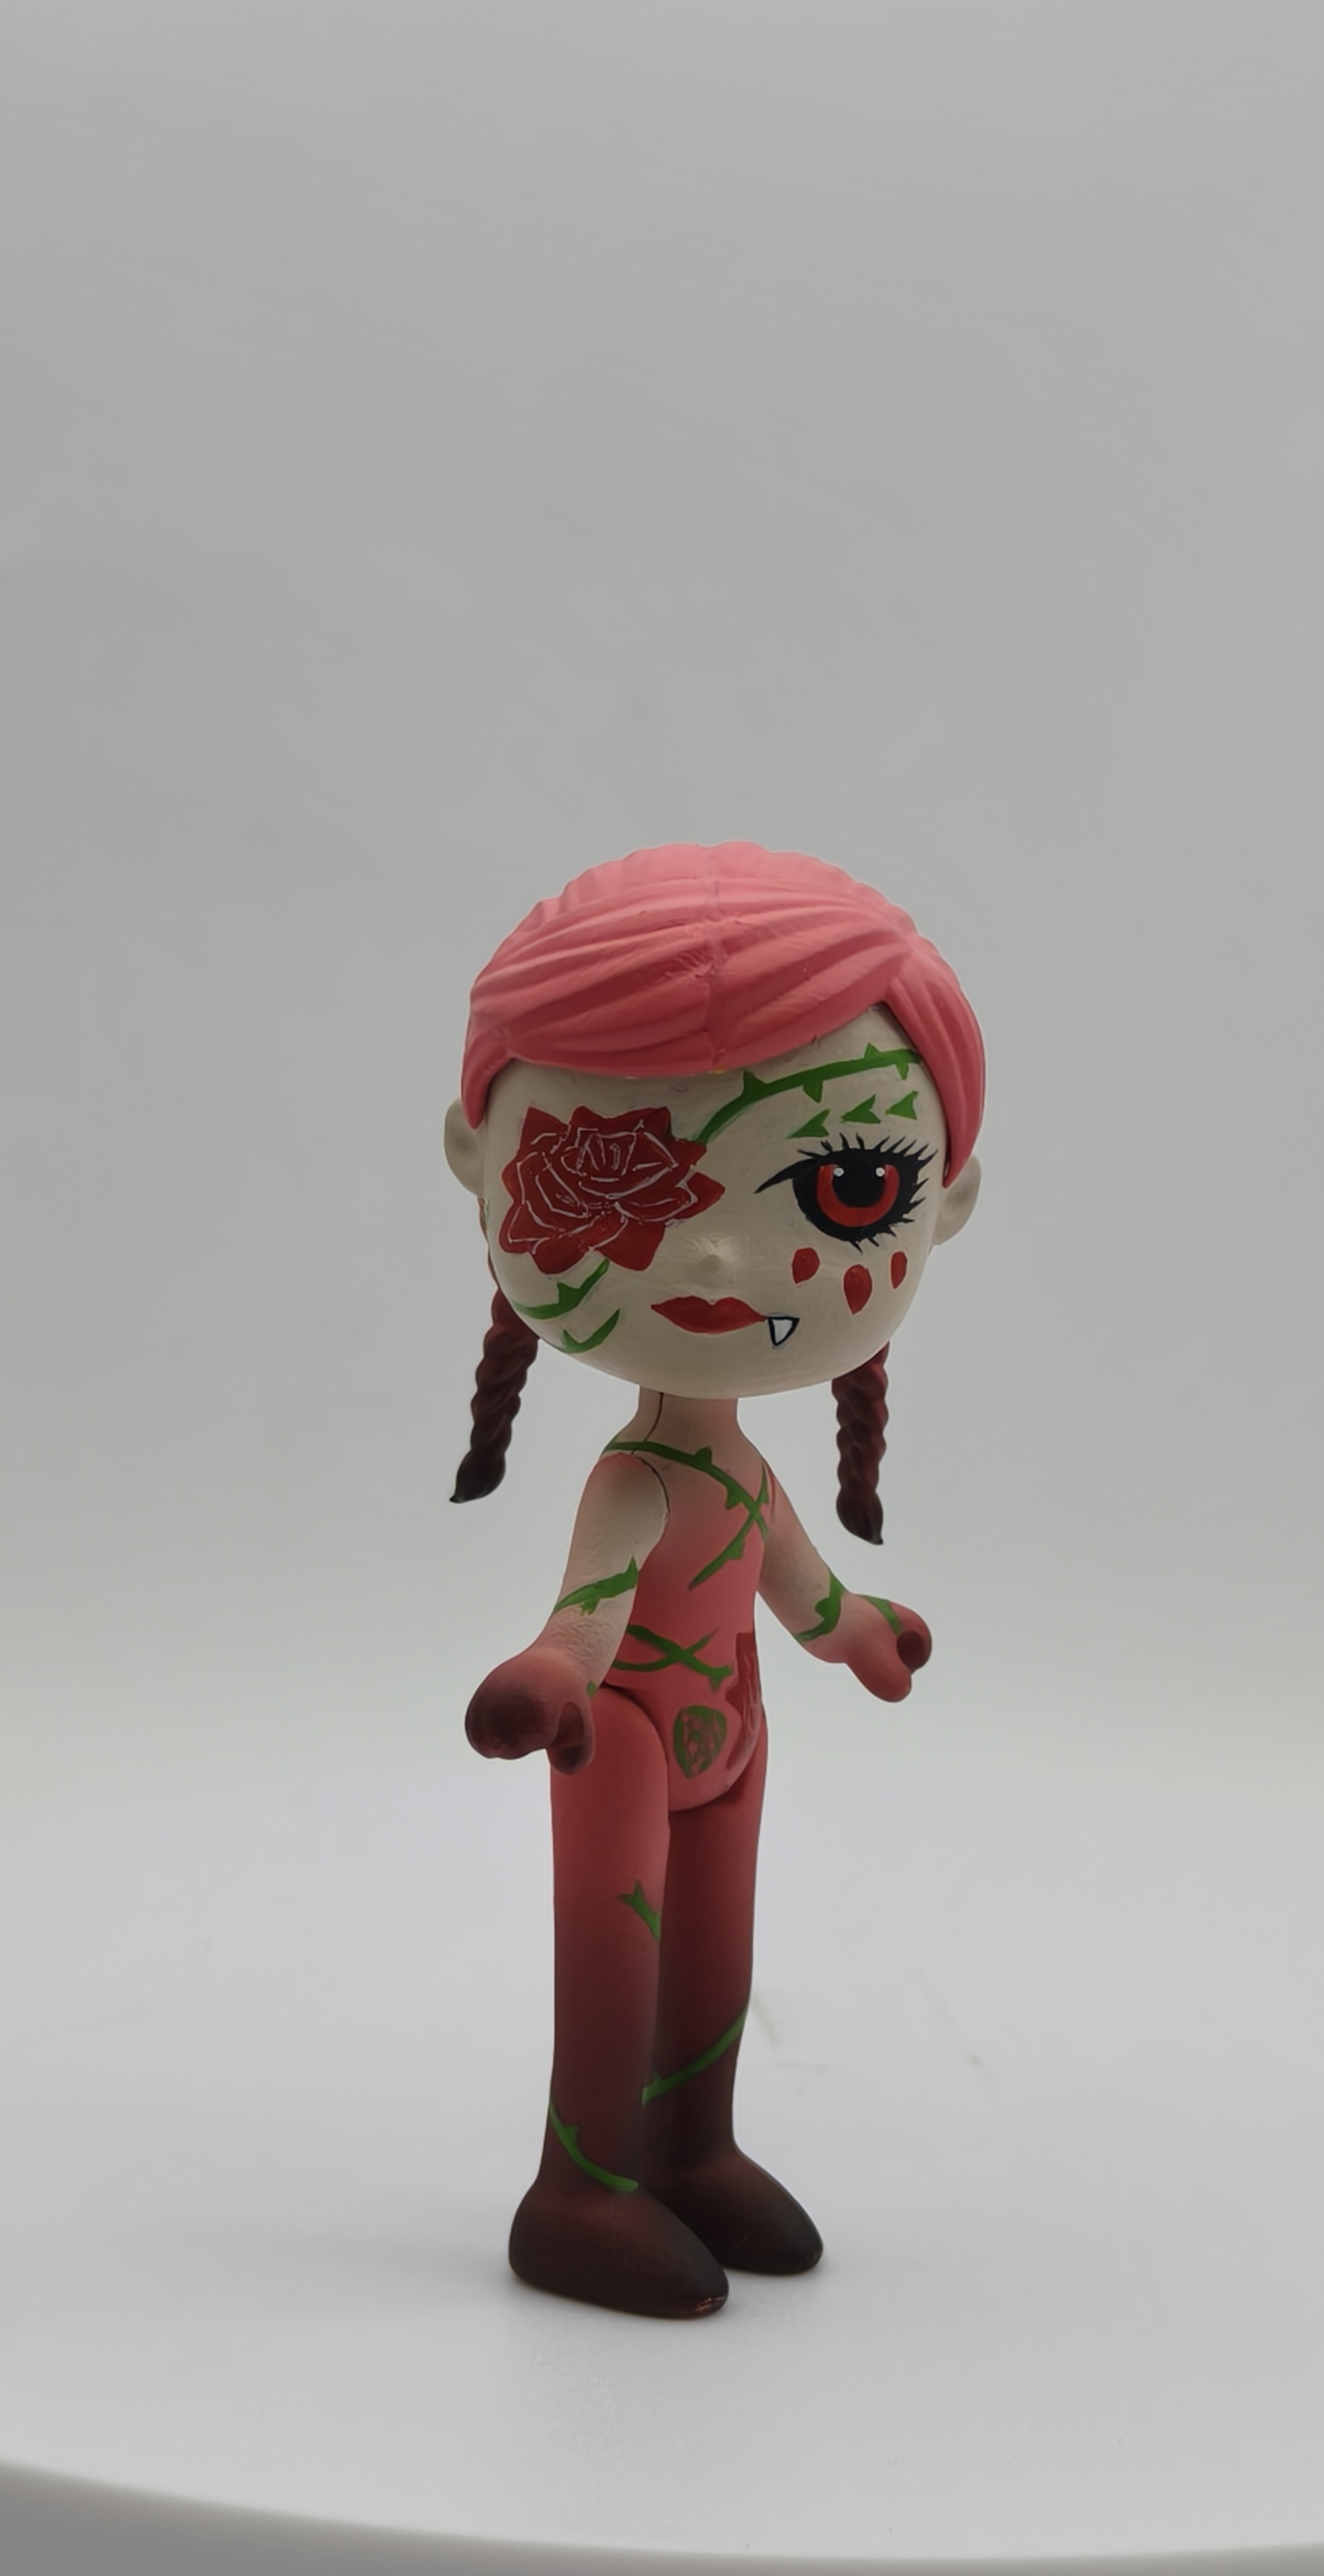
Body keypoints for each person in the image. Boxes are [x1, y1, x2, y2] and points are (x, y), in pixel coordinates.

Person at [444, 841, 984, 2318]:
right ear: (477, 1163)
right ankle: (578, 2186)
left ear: (945, 1199)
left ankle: (693, 2147)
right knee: (614, 1962)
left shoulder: (738, 1474)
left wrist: (858, 1630)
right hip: (619, 1737)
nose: (724, 1254)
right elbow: (591, 1610)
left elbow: (797, 1585)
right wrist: (549, 1675)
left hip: (733, 1729)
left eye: (849, 1184)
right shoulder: (636, 1478)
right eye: (617, 1163)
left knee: (714, 1956)